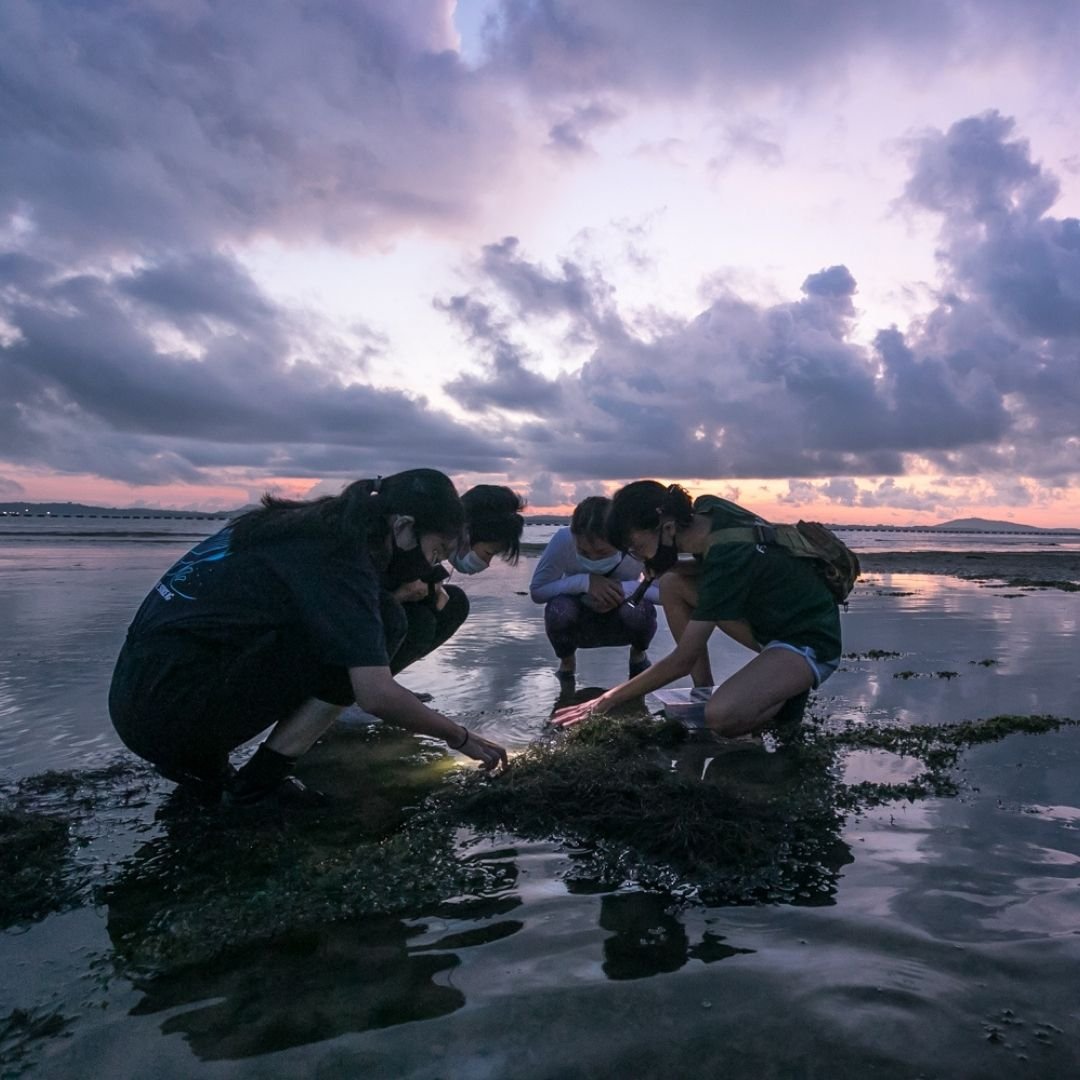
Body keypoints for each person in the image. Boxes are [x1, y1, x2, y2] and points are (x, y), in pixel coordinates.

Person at [108, 469, 508, 807]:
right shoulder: (340, 557)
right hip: (167, 712)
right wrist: (461, 737)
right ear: (403, 526)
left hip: (141, 691)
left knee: (373, 619)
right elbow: (376, 694)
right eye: (436, 551)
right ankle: (261, 784)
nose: (432, 563)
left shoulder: (313, 526)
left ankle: (202, 763)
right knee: (384, 623)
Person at [552, 481, 842, 735]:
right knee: (672, 582)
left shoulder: (727, 557)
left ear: (666, 528)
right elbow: (718, 565)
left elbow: (682, 660)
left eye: (637, 546)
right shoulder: (707, 509)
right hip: (769, 622)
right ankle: (705, 689)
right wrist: (671, 563)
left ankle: (779, 697)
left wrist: (606, 699)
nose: (639, 558)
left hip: (808, 641)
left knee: (720, 717)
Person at [385, 485, 525, 677]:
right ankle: (366, 687)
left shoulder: (432, 548)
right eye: (488, 553)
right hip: (346, 624)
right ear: (467, 531)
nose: (487, 563)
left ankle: (383, 679)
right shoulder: (396, 541)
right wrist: (400, 595)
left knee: (454, 601)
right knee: (422, 622)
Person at [530, 496, 659, 686]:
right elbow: (538, 592)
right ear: (573, 537)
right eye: (583, 551)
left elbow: (667, 592)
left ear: (620, 539)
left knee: (639, 610)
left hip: (623, 616)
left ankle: (638, 654)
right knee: (558, 610)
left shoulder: (636, 546)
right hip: (577, 616)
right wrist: (584, 582)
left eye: (602, 553)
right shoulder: (563, 539)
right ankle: (567, 663)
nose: (593, 558)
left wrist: (622, 589)